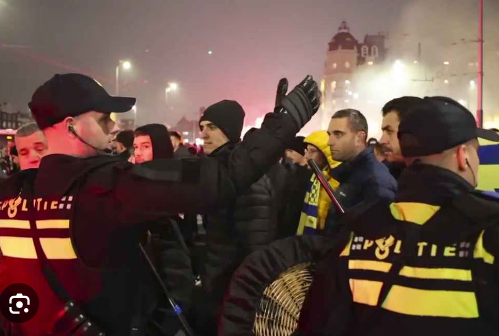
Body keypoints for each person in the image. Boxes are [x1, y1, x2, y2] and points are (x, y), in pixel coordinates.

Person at [0, 72, 319, 335]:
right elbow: (220, 178)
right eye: (103, 118)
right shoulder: (107, 186)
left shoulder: (11, 195)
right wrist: (281, 126)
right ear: (72, 126)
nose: (113, 126)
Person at [298, 97, 499, 336]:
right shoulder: (496, 231)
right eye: (477, 151)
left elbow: (317, 322)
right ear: (463, 155)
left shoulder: (357, 229)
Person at [197, 100, 282, 334]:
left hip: (232, 296)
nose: (203, 134)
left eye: (211, 127)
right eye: (202, 127)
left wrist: (240, 303)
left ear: (230, 131)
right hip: (216, 288)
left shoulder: (247, 180)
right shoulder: (216, 171)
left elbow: (255, 250)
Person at [131, 123, 195, 335]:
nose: (138, 152)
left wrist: (163, 323)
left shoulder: (168, 188)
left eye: (145, 146)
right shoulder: (134, 182)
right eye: (135, 146)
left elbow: (176, 270)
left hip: (159, 305)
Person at [326, 109, 397, 235]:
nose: (329, 142)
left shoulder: (376, 180)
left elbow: (375, 239)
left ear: (359, 137)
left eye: (338, 134)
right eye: (329, 134)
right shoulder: (351, 172)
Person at [297, 130, 340, 235]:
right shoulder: (314, 177)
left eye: (312, 151)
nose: (306, 156)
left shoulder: (337, 180)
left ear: (325, 153)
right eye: (306, 150)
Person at [379, 96, 424, 180]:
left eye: (389, 131)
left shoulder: (440, 187)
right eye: (383, 132)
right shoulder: (381, 177)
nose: (381, 141)